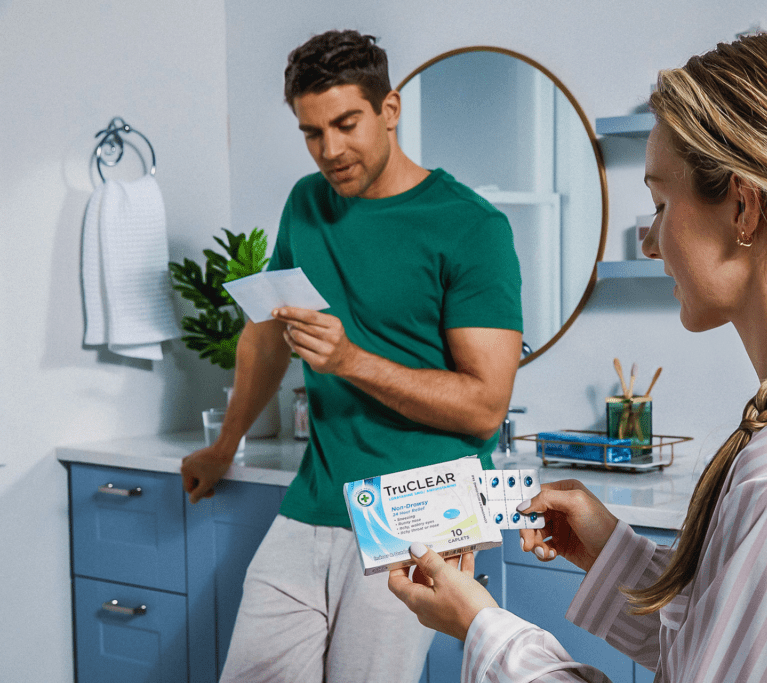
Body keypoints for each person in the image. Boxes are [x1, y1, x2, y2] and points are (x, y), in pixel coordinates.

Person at [389, 30, 767, 682]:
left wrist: (482, 627)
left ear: (744, 208)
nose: (651, 237)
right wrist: (614, 553)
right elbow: (747, 644)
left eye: (661, 202)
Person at [179, 29, 524, 683]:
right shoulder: (306, 204)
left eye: (346, 124)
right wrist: (225, 445)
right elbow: (266, 332)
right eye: (313, 132)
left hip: (422, 509)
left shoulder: (471, 226)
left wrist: (351, 360)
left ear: (389, 110)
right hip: (315, 500)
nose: (330, 150)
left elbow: (484, 408)